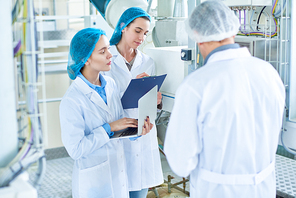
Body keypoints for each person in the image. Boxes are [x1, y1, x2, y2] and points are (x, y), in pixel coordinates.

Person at [164, 1, 285, 198]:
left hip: (217, 191)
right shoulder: (269, 73)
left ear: (197, 36)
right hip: (263, 189)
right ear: (232, 28)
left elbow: (180, 162)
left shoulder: (196, 85)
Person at [59, 28, 153, 198]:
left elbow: (118, 123)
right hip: (94, 183)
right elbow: (76, 149)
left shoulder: (110, 83)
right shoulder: (72, 100)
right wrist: (108, 127)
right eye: (103, 51)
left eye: (108, 48)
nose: (110, 55)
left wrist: (136, 131)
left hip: (118, 175)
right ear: (85, 59)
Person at [103, 7, 164, 198]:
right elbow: (100, 100)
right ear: (123, 27)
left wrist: (156, 100)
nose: (142, 37)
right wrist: (131, 89)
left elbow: (150, 105)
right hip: (117, 135)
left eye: (145, 33)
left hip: (143, 134)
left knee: (139, 190)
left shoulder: (148, 62)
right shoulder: (106, 59)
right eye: (137, 31)